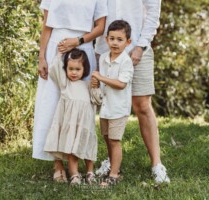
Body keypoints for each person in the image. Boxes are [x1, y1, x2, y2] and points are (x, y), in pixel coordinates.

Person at [94, 0, 170, 184]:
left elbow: (153, 12)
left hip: (137, 49)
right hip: (105, 49)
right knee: (107, 105)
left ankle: (157, 165)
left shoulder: (138, 47)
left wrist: (140, 46)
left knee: (142, 105)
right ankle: (112, 162)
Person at [33, 0, 107, 183]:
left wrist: (77, 41)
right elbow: (46, 25)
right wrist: (42, 56)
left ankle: (81, 158)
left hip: (82, 48)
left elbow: (100, 27)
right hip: (56, 49)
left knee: (82, 106)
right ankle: (58, 163)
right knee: (53, 105)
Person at [44, 49, 97, 185]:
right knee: (71, 149)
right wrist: (60, 55)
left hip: (85, 124)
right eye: (70, 69)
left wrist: (96, 87)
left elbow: (97, 99)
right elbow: (55, 68)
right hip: (71, 124)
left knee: (87, 147)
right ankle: (74, 175)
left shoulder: (87, 85)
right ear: (66, 69)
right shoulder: (65, 84)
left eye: (78, 69)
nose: (73, 72)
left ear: (84, 69)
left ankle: (90, 172)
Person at [91, 20, 133, 186]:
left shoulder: (126, 61)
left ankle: (114, 175)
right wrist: (96, 83)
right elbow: (101, 84)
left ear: (128, 42)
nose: (115, 43)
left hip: (118, 108)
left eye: (120, 39)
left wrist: (101, 78)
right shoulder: (103, 58)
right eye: (112, 38)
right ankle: (113, 167)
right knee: (107, 138)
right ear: (107, 39)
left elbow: (121, 84)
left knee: (115, 141)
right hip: (106, 108)